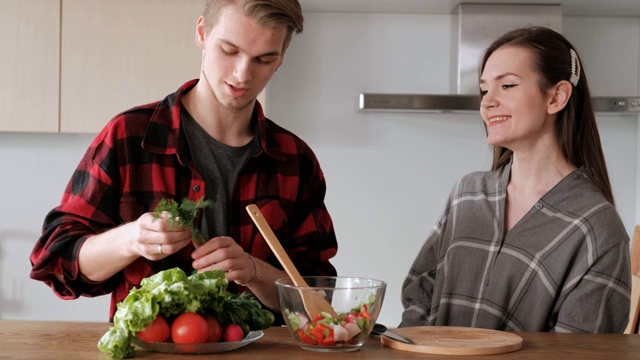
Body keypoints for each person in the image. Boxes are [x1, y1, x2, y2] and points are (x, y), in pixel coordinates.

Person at [30, 0, 337, 324]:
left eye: (263, 59)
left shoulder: (296, 160)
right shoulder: (129, 136)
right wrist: (131, 238)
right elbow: (56, 261)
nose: (242, 74)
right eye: (229, 50)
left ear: (281, 58)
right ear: (202, 32)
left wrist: (254, 271)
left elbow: (316, 299)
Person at [400, 26, 631, 333]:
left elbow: (582, 350)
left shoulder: (597, 229)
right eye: (484, 90)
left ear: (556, 97)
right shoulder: (467, 194)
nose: (487, 102)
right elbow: (420, 291)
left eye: (506, 86)